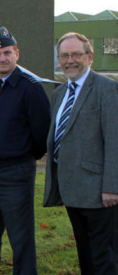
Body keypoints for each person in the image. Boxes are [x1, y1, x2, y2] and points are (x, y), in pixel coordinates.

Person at [0, 27, 51, 275]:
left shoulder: (31, 88)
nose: (2, 58)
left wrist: (22, 157)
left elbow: (41, 134)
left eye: (7, 52)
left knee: (21, 239)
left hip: (16, 173)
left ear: (17, 53)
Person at [43, 32, 118, 274]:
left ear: (90, 56)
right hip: (71, 190)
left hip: (99, 192)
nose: (70, 60)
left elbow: (115, 140)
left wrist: (112, 186)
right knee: (84, 252)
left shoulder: (107, 89)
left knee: (104, 256)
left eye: (76, 54)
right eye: (64, 55)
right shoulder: (59, 93)